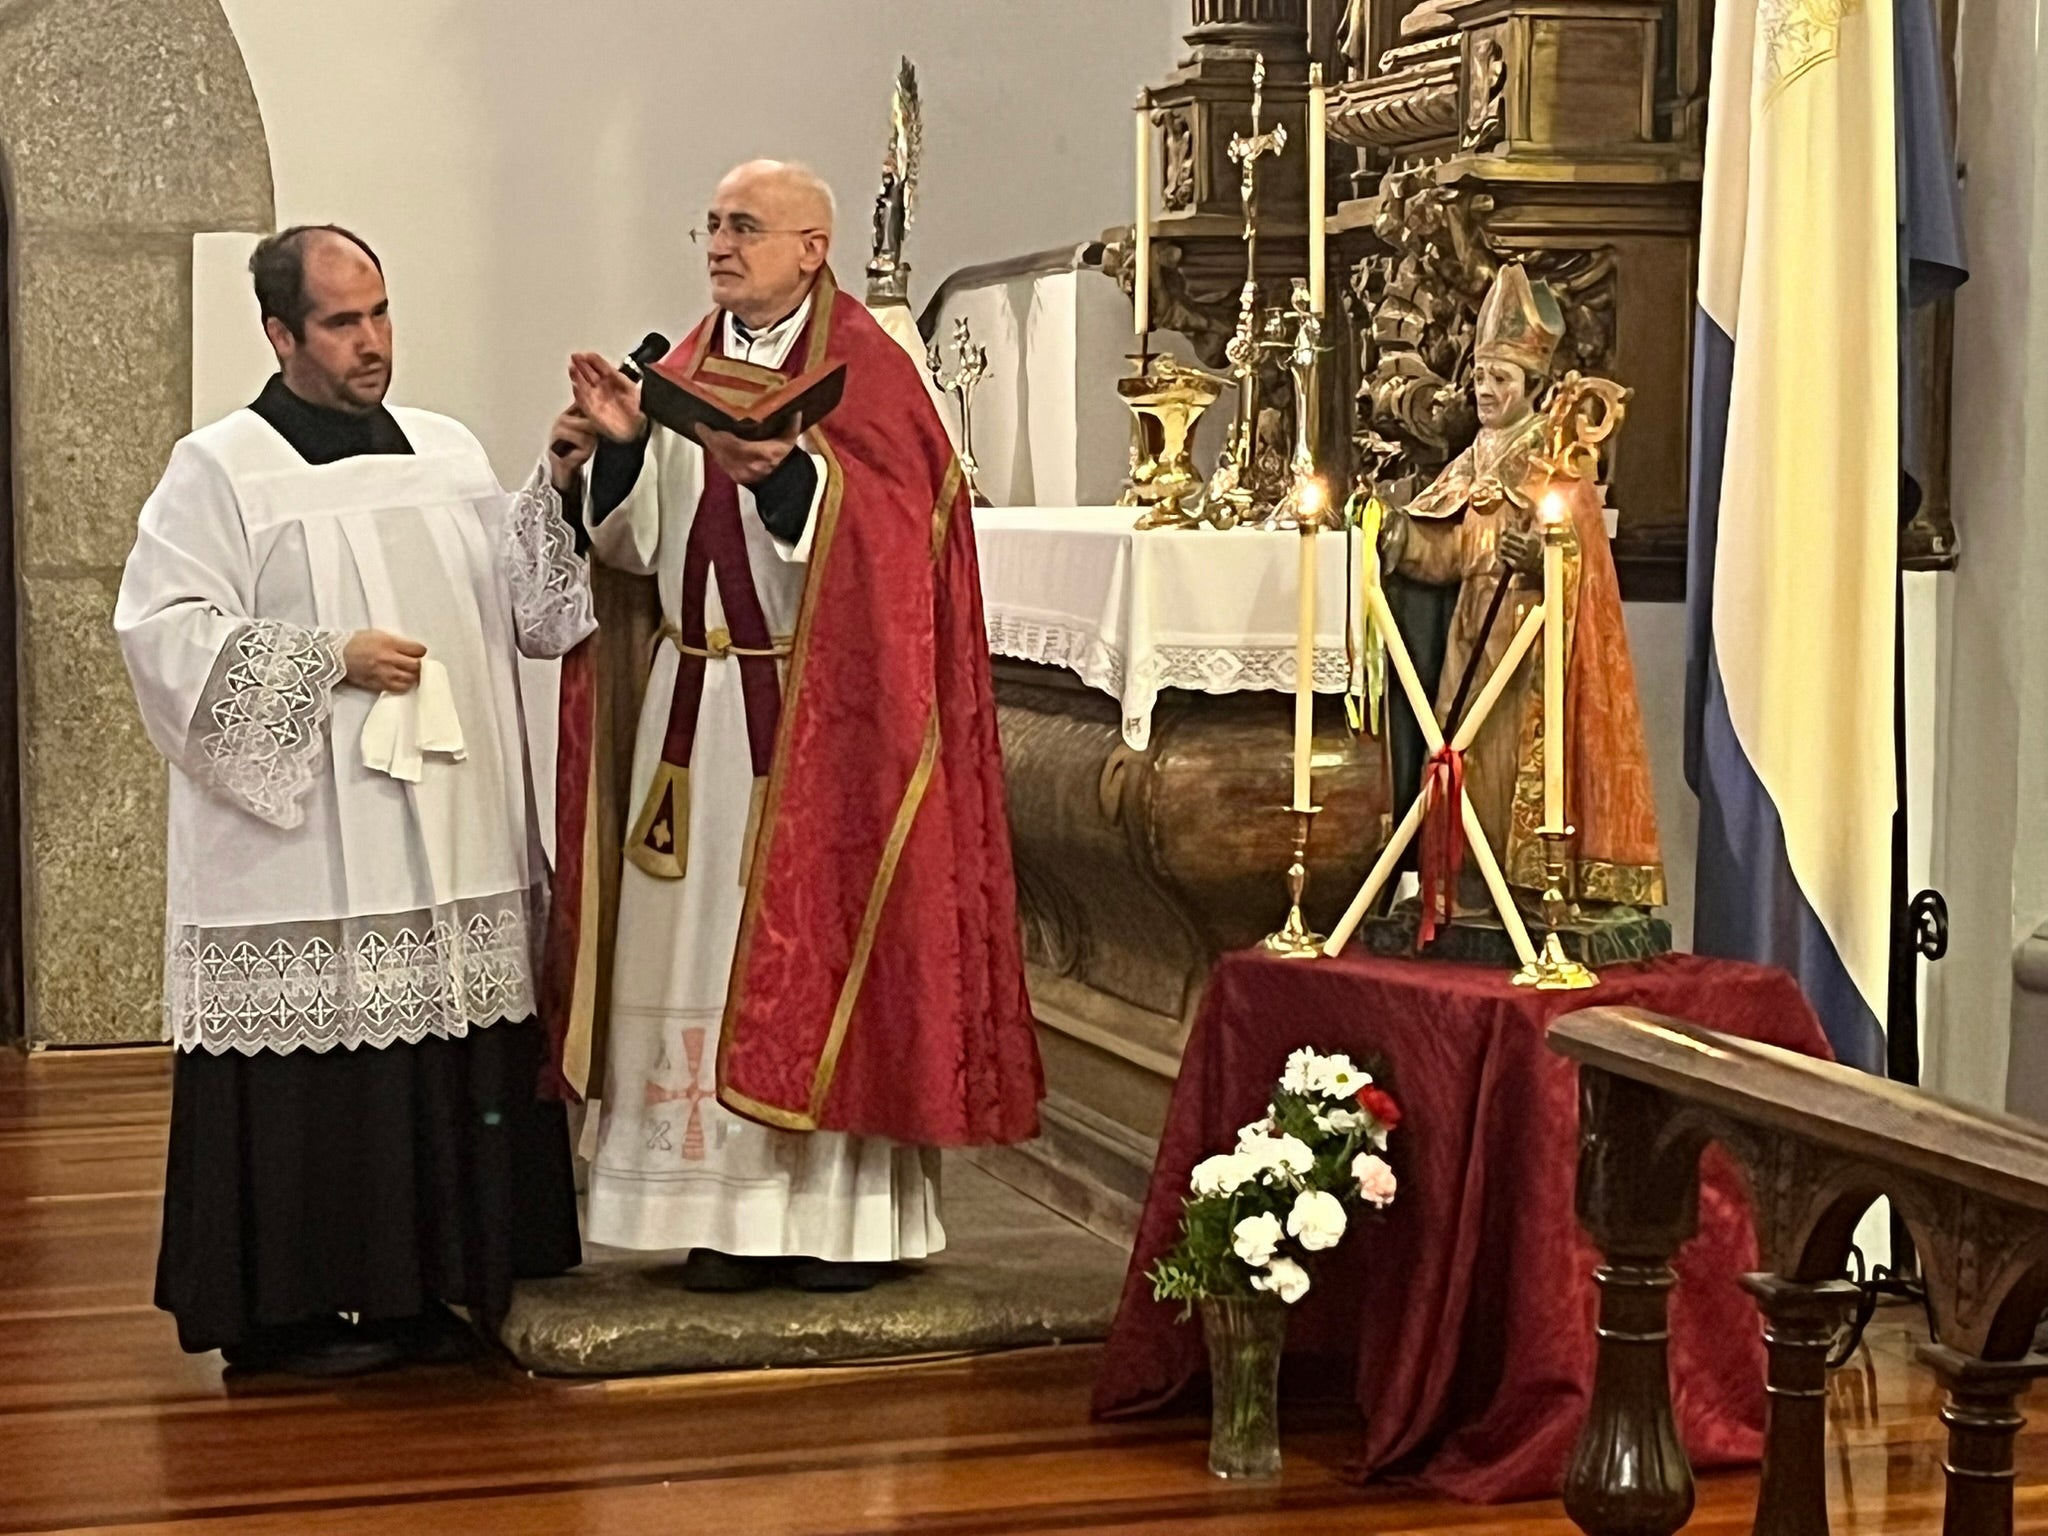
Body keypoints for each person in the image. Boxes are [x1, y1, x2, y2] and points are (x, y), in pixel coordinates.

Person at [543, 160, 1041, 1293]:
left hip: (820, 724)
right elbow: (631, 551)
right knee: (698, 963)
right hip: (695, 712)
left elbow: (898, 538)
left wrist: (786, 481)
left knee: (814, 953)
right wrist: (620, 447)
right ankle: (717, 1214)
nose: (718, 246)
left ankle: (836, 1224)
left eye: (745, 227)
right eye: (711, 224)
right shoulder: (675, 367)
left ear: (813, 247)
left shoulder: (867, 372)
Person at [115, 226, 596, 1375]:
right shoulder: (219, 468)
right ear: (280, 334)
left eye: (379, 312)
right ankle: (288, 1316)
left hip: (452, 834)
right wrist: (326, 656)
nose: (373, 342)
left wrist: (558, 482)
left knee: (445, 1062)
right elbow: (162, 637)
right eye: (342, 322)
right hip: (311, 852)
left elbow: (531, 613)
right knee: (321, 1086)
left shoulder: (443, 450)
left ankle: (433, 1288)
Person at [1378, 262, 1664, 916]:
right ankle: (1466, 883)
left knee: (1509, 756)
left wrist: (1540, 556)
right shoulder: (1474, 456)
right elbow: (1447, 549)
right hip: (1471, 629)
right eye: (1478, 376)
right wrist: (1395, 539)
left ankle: (1528, 887)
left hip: (1532, 638)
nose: (1484, 389)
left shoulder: (1557, 457)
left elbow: (1582, 555)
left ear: (1534, 387)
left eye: (1499, 378)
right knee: (1456, 746)